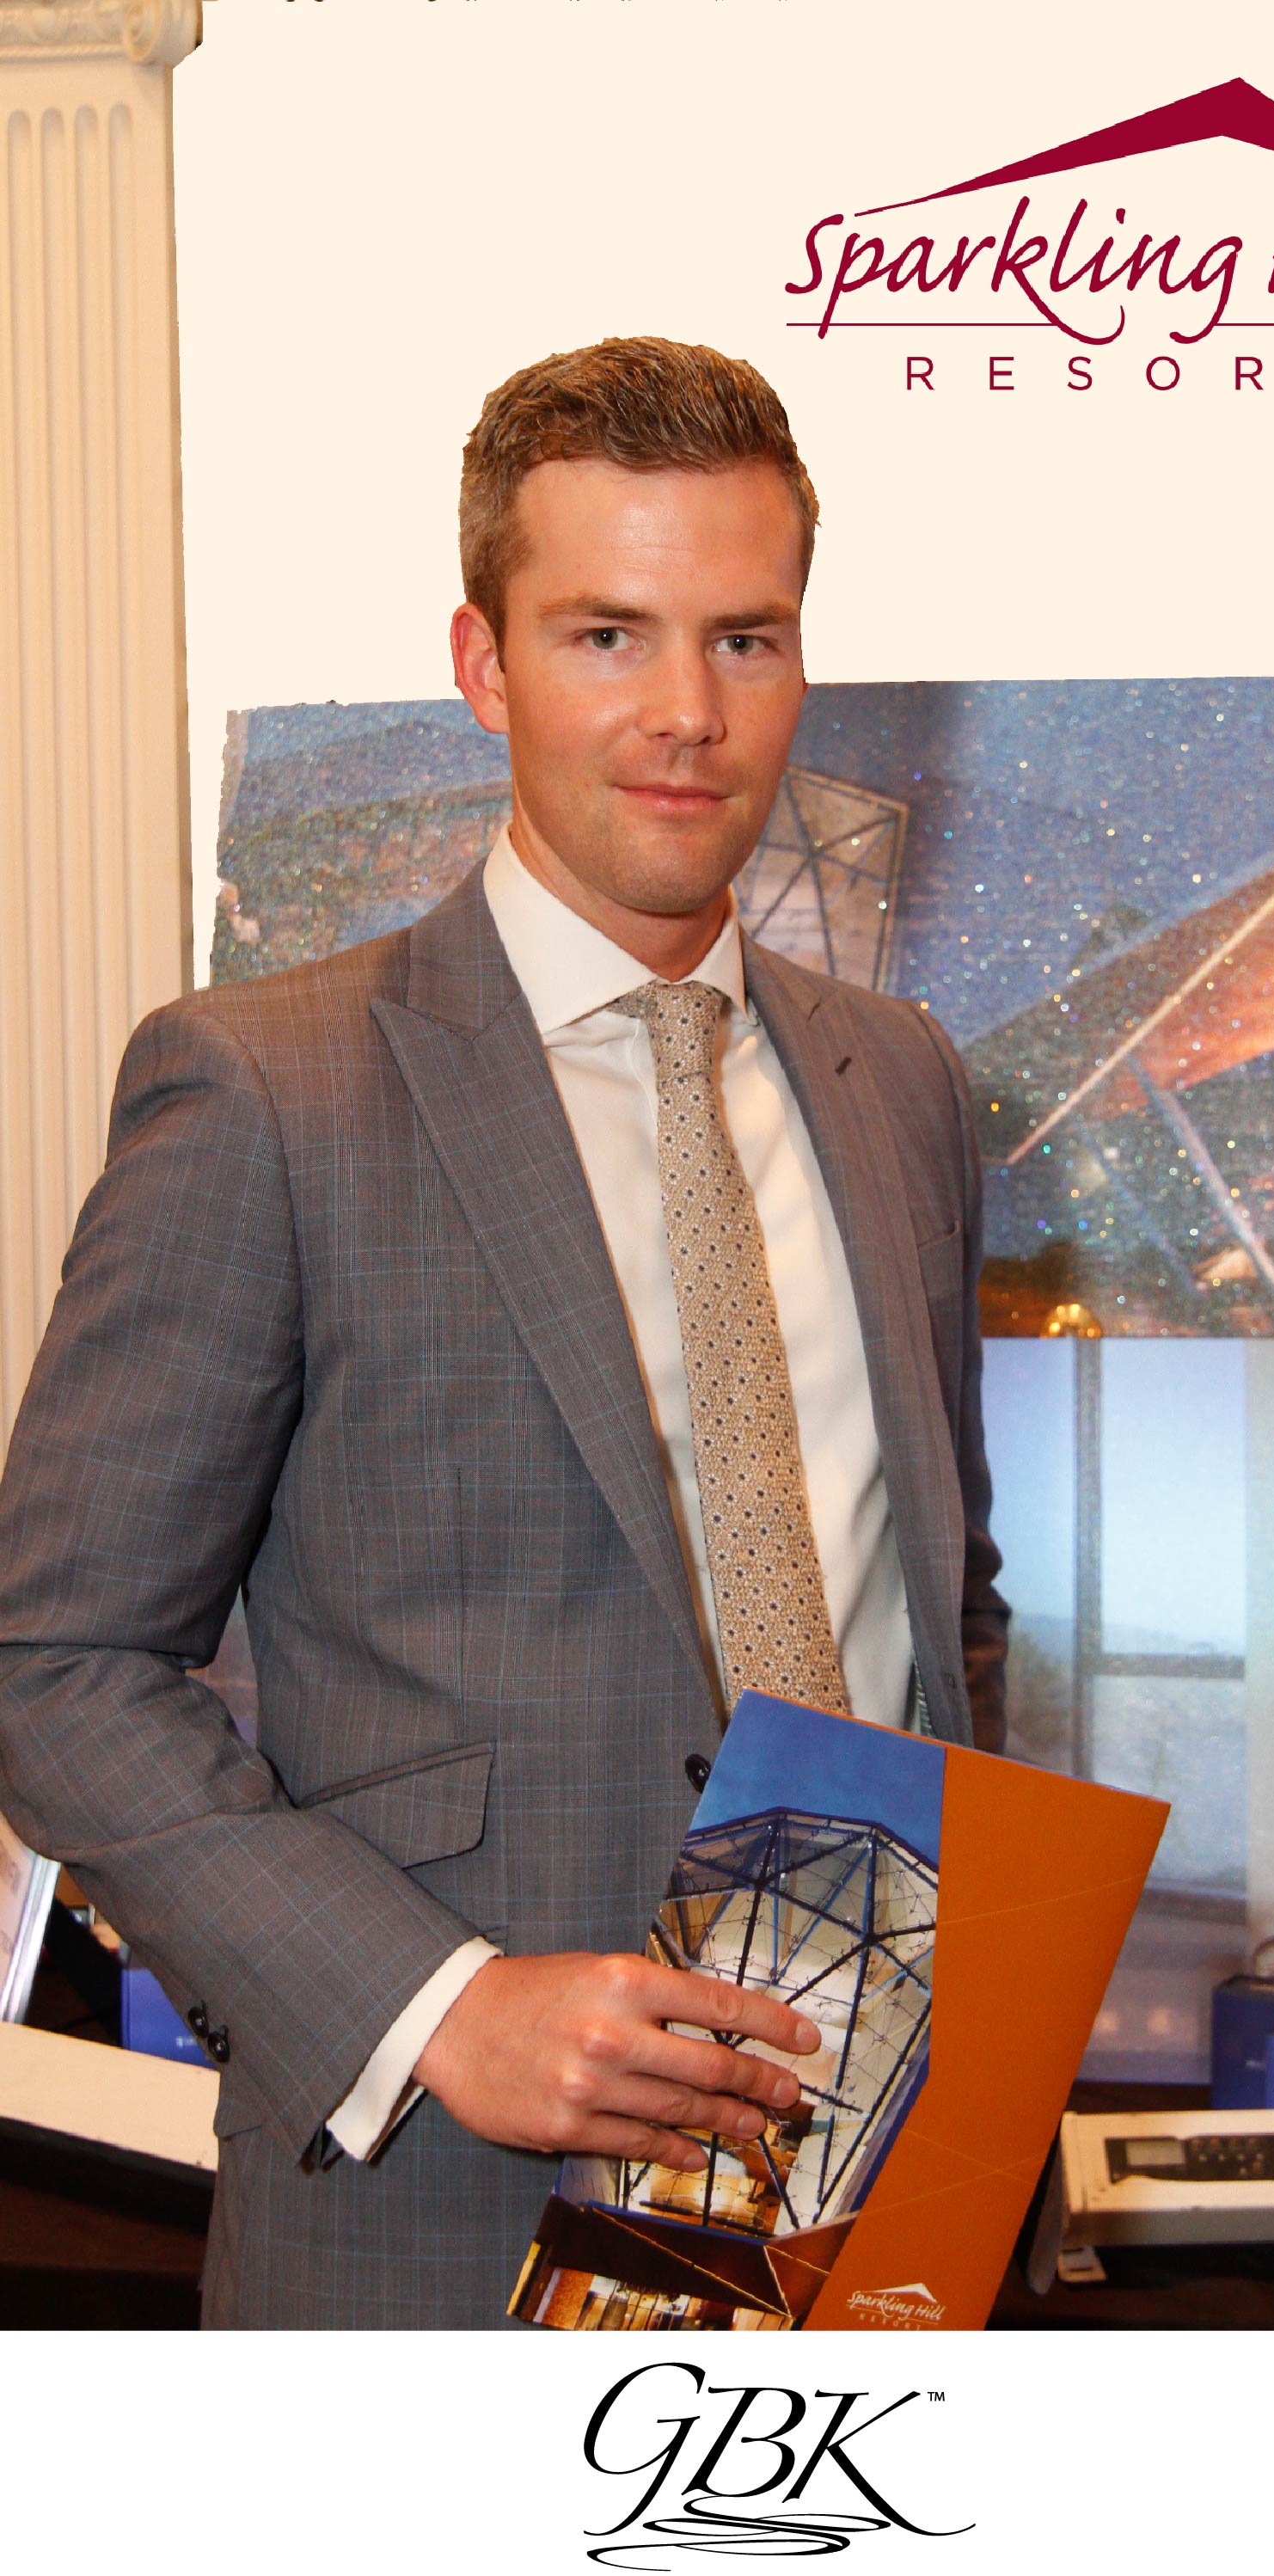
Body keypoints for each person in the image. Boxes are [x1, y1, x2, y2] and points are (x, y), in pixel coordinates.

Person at [0, 337, 1008, 2329]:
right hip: (440, 2226)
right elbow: (54, 1663)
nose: (686, 712)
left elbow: (934, 1592)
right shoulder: (265, 1089)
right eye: (605, 633)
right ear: (483, 664)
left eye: (744, 638)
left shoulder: (897, 1078)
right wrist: (435, 2005)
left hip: (875, 2196)